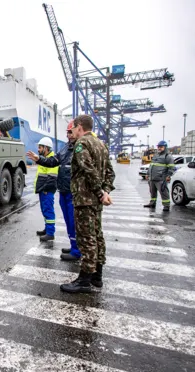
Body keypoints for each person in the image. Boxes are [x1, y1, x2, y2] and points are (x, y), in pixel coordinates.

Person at [60, 115, 114, 294]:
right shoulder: (101, 144)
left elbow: (88, 169)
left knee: (86, 238)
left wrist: (99, 192)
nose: (73, 131)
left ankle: (84, 279)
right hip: (96, 201)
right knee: (97, 235)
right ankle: (97, 276)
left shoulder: (81, 144)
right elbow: (109, 173)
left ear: (80, 127)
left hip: (84, 199)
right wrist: (104, 192)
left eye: (73, 128)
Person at [26, 121, 81, 260]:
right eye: (67, 132)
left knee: (73, 221)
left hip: (71, 191)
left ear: (79, 130)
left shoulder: (82, 147)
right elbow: (53, 161)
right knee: (69, 221)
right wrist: (38, 159)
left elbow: (52, 176)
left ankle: (77, 250)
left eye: (70, 132)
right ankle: (74, 246)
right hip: (63, 190)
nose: (68, 135)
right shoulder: (65, 148)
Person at [30, 137, 58, 241]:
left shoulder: (52, 160)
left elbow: (52, 177)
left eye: (40, 147)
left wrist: (46, 189)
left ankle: (50, 233)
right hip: (43, 190)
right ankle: (47, 229)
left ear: (46, 148)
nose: (38, 149)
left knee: (48, 210)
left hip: (47, 190)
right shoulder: (45, 160)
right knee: (44, 210)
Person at [143, 140, 175, 211]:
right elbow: (151, 165)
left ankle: (166, 205)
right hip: (152, 178)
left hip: (161, 178)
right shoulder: (156, 155)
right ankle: (152, 203)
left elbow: (171, 167)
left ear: (165, 147)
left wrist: (168, 176)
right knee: (152, 192)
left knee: (164, 192)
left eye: (161, 147)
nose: (159, 148)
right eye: (158, 147)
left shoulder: (168, 156)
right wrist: (148, 173)